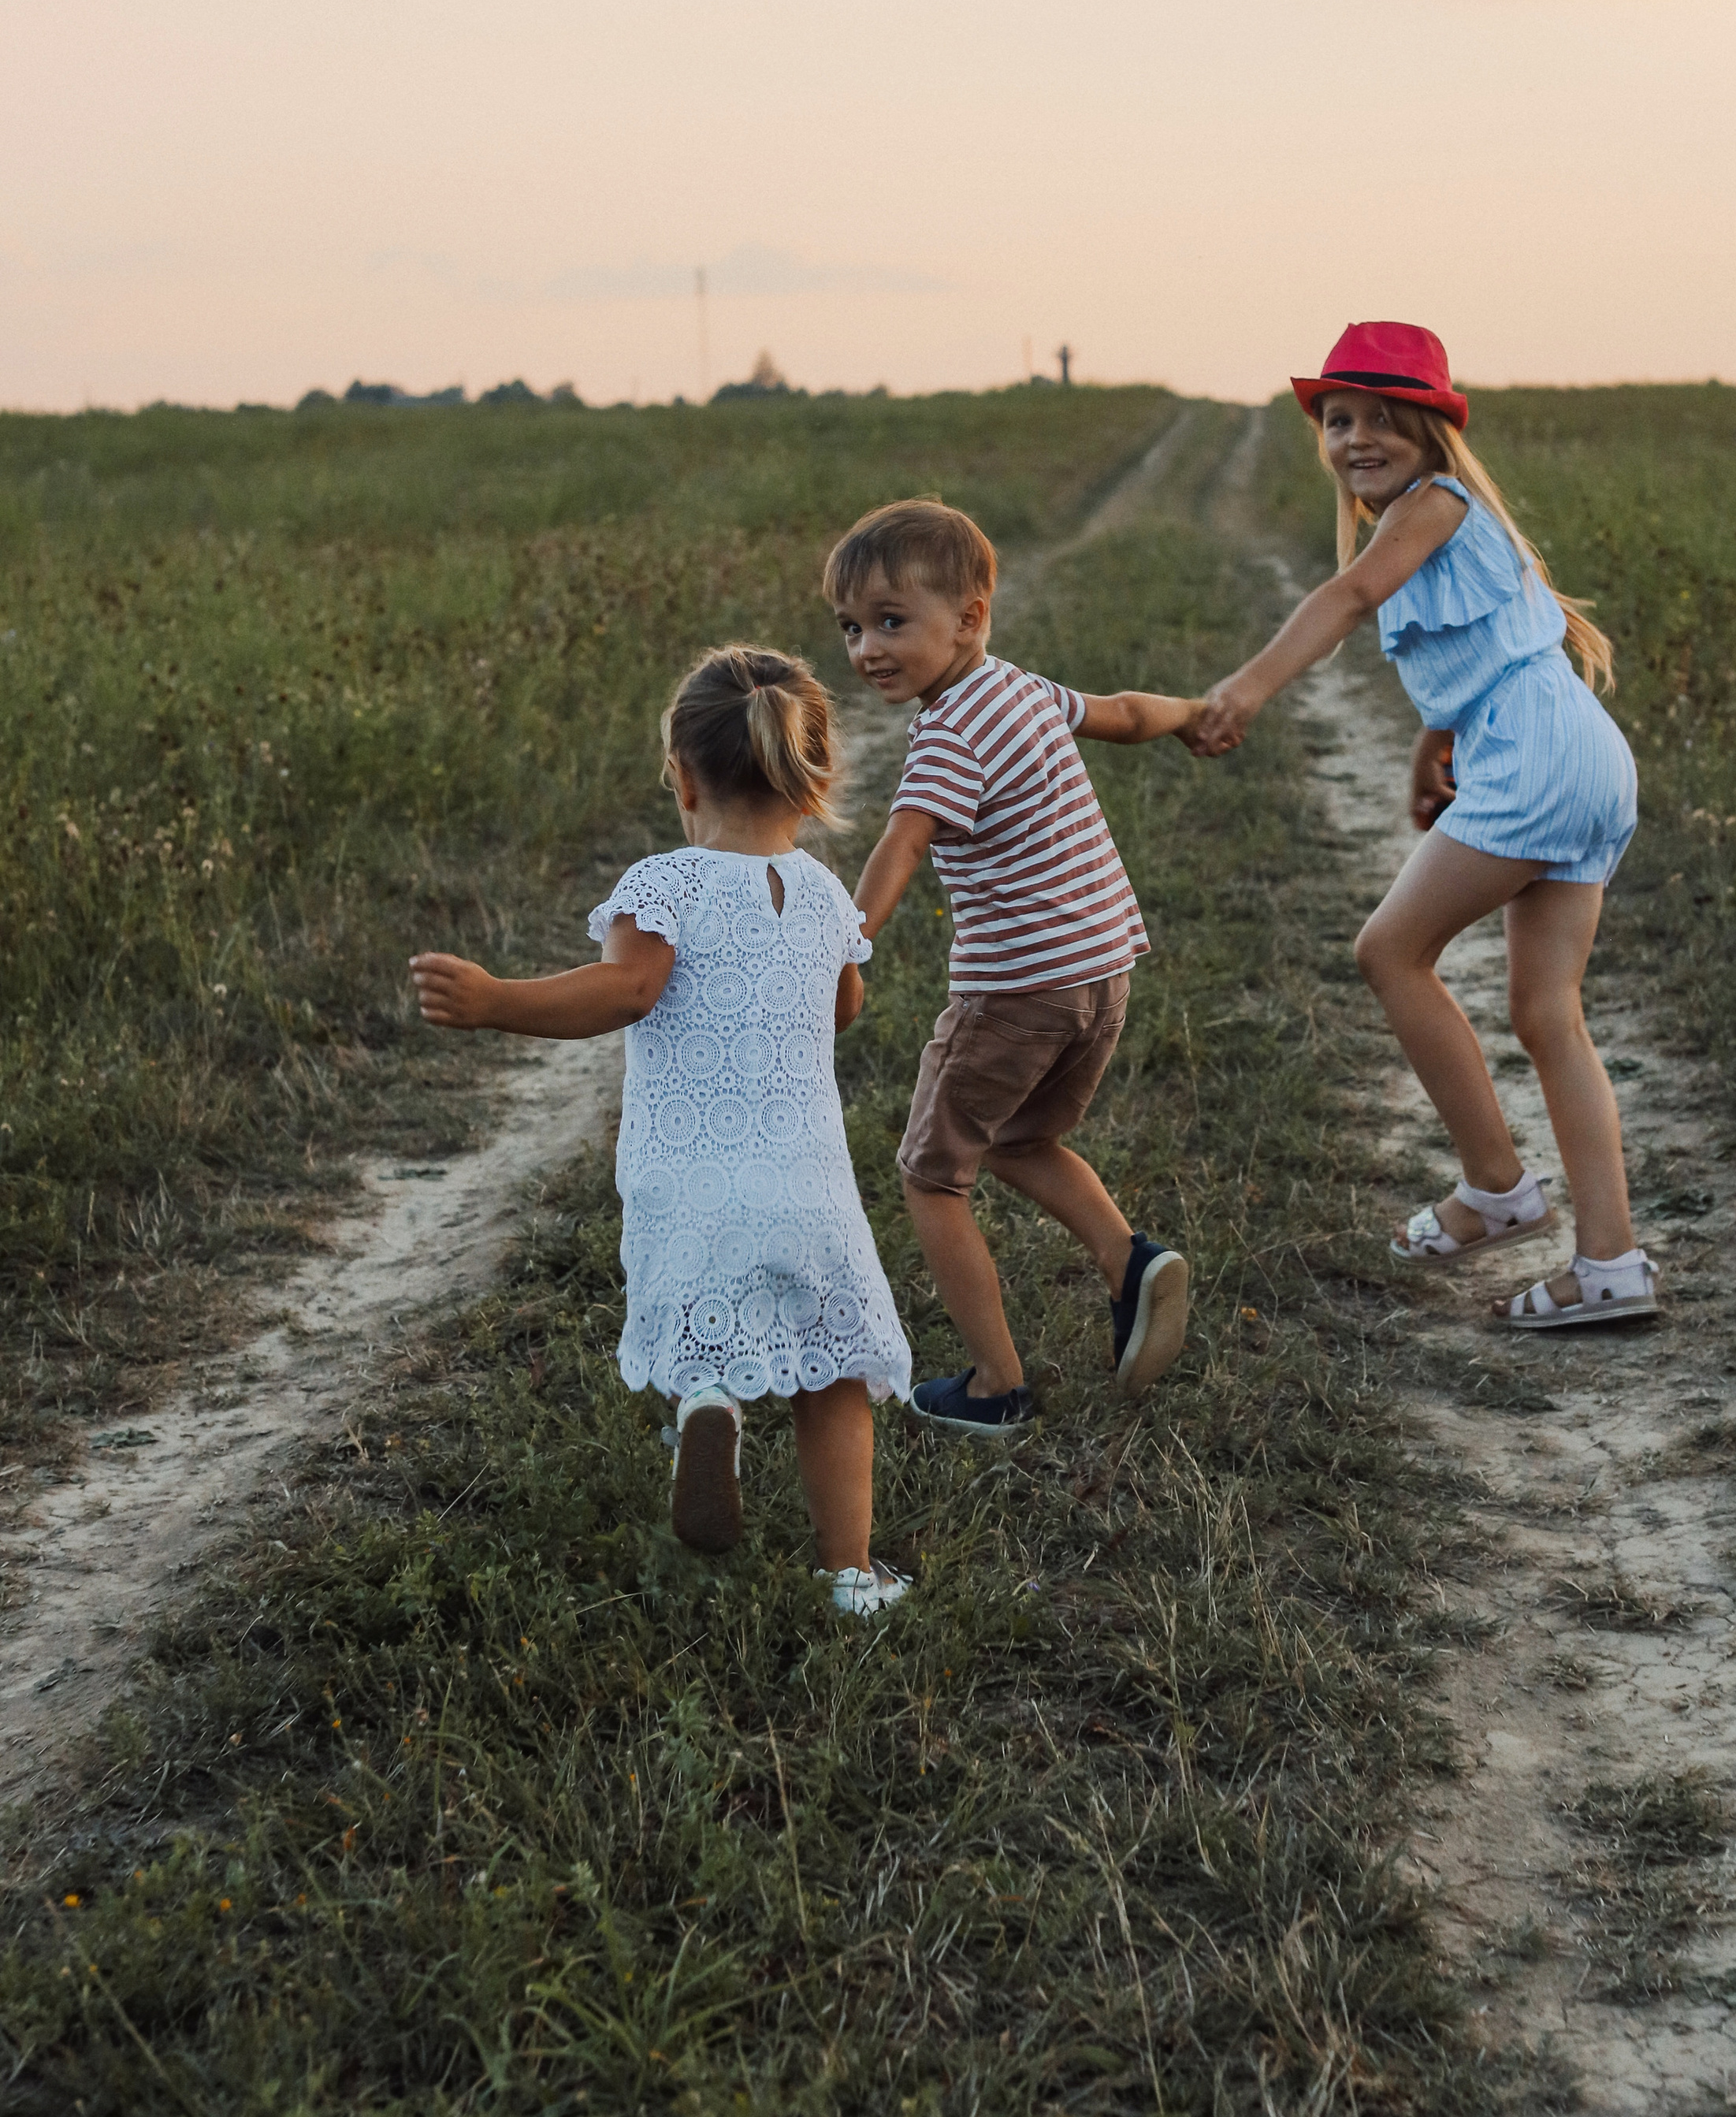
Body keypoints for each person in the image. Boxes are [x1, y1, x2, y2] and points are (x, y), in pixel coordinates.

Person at [408, 644, 914, 1613]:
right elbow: (842, 1006)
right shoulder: (822, 893)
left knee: (709, 1333)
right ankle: (850, 1574)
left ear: (680, 774)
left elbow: (626, 990)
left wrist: (497, 1001)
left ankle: (709, 1408)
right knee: (834, 1373)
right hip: (810, 1185)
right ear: (812, 782)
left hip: (693, 1179)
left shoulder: (668, 884)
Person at [1194, 322, 1655, 1330]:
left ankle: (1496, 1185)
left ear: (1432, 430)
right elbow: (1480, 656)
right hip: (1575, 753)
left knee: (1389, 951)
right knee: (1545, 1014)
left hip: (1537, 758)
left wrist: (1249, 687)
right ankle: (1610, 1263)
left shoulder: (1435, 503)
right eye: (1337, 421)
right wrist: (1428, 748)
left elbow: (1353, 596)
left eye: (1380, 419)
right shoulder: (1435, 516)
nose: (1356, 438)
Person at [826, 498, 1202, 1435]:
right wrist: (1190, 714)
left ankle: (994, 1386)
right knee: (1019, 1138)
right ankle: (1128, 1262)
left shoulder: (947, 732)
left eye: (890, 621)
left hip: (1015, 991)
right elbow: (1120, 714)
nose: (867, 648)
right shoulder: (1024, 690)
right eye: (850, 628)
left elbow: (904, 842)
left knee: (931, 1175)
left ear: (970, 618)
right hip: (1100, 975)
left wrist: (843, 944)